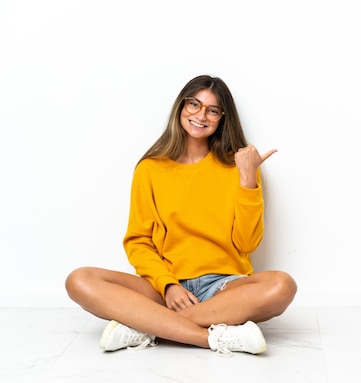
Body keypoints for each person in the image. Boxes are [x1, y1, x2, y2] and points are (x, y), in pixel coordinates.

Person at [65, 75, 297, 356]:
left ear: (222, 118)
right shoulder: (150, 169)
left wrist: (248, 178)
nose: (201, 115)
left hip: (223, 289)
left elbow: (247, 244)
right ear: (180, 107)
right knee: (79, 280)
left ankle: (147, 326)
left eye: (212, 110)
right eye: (194, 105)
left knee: (281, 286)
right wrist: (168, 285)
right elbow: (138, 242)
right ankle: (212, 337)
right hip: (164, 288)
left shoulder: (240, 166)